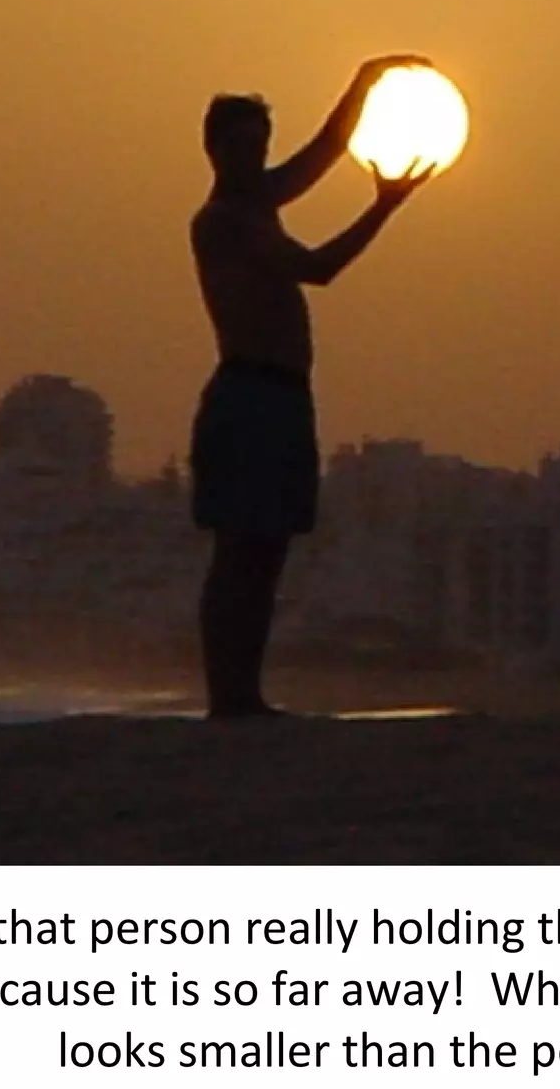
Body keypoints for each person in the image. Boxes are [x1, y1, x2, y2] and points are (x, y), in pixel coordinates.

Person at [188, 54, 438, 719]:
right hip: (247, 396)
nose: (252, 157)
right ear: (214, 149)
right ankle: (228, 697)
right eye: (239, 146)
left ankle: (246, 694)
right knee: (239, 550)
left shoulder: (262, 201)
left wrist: (366, 79)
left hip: (283, 396)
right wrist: (383, 207)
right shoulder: (224, 220)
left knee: (267, 552)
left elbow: (328, 147)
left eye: (259, 145)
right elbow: (317, 268)